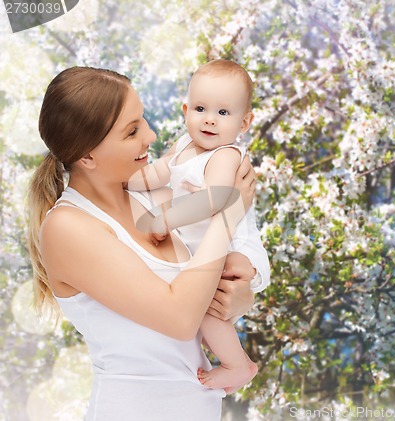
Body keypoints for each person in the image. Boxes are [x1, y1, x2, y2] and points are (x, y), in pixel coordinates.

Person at [26, 66, 259, 421]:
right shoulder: (67, 227)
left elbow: (207, 276)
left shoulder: (152, 198)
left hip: (200, 408)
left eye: (143, 120)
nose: (150, 135)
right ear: (87, 156)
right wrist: (229, 210)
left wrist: (242, 294)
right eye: (132, 130)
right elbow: (180, 317)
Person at [127, 59, 270, 393]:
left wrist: (166, 219)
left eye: (223, 113)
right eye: (201, 108)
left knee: (206, 305)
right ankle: (226, 355)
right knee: (203, 303)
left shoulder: (225, 156)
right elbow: (160, 171)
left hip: (236, 248)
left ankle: (239, 365)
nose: (209, 119)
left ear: (244, 122)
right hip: (206, 249)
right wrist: (129, 181)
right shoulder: (182, 146)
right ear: (185, 109)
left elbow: (215, 199)